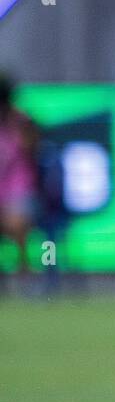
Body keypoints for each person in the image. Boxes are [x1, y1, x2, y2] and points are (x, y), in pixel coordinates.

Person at [0, 74, 39, 279]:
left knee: (16, 220)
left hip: (19, 192)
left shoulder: (20, 122)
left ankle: (25, 272)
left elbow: (32, 147)